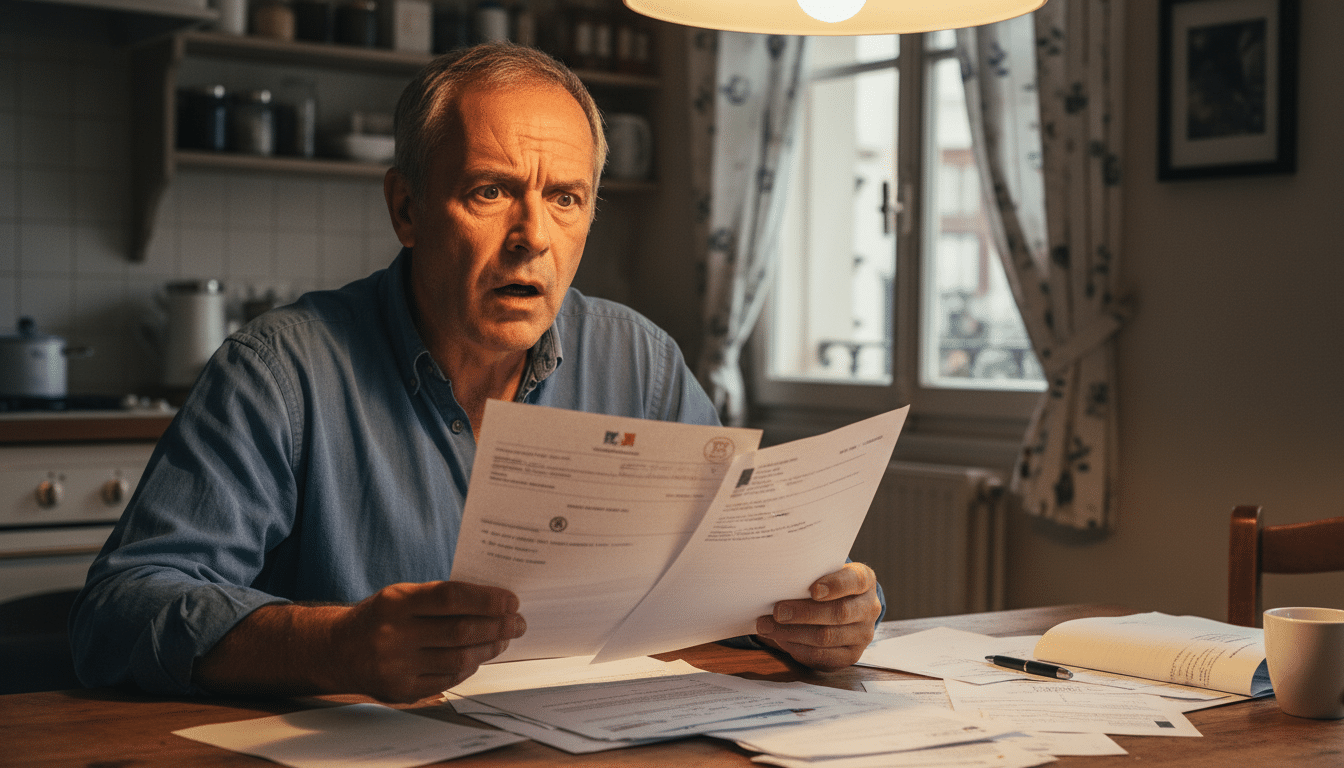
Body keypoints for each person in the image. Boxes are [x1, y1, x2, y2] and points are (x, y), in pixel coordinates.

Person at [70, 43, 884, 704]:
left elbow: (737, 578)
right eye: (491, 191)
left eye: (565, 198)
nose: (532, 236)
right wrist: (335, 647)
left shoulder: (641, 362)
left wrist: (816, 619)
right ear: (407, 209)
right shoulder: (281, 372)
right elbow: (117, 611)